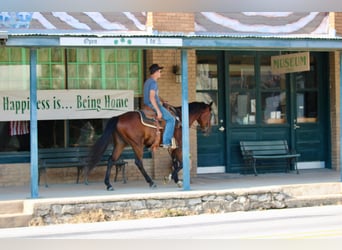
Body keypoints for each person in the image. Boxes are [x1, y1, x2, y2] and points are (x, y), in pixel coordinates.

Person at [143, 64, 176, 149]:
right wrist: (158, 110)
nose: (160, 73)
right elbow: (151, 97)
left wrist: (162, 100)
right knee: (171, 119)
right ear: (155, 72)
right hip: (153, 105)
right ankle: (166, 142)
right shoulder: (153, 83)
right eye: (159, 71)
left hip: (147, 104)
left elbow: (154, 95)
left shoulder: (148, 81)